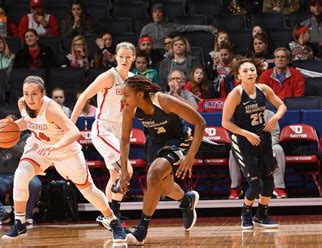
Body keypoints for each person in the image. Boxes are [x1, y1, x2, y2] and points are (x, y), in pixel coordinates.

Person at [0, 76, 127, 242]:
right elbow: (28, 122)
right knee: (21, 174)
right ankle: (20, 222)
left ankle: (112, 220)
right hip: (39, 146)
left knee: (88, 190)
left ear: (43, 93)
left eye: (34, 94)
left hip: (65, 150)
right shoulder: (23, 103)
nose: (29, 98)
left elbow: (74, 132)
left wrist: (56, 147)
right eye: (26, 93)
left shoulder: (51, 108)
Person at [118, 75, 205, 245]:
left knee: (154, 173)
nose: (123, 99)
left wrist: (190, 156)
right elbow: (124, 139)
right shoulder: (129, 108)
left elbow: (200, 123)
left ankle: (141, 230)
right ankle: (186, 201)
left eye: (126, 95)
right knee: (163, 186)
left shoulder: (163, 100)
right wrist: (123, 171)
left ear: (140, 94)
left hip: (179, 139)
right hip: (155, 143)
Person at [71, 42, 136, 230]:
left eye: (128, 56)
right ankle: (113, 218)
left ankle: (106, 216)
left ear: (133, 58)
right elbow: (84, 97)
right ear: (116, 57)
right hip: (103, 129)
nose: (124, 60)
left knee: (115, 174)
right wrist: (70, 124)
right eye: (121, 56)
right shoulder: (109, 76)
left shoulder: (132, 79)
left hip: (120, 131)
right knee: (127, 171)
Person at [221, 57, 287, 230]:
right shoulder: (235, 94)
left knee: (269, 182)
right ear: (238, 76)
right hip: (242, 140)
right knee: (255, 184)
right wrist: (246, 133)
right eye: (245, 71)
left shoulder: (263, 89)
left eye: (252, 70)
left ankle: (261, 215)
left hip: (262, 138)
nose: (250, 73)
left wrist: (274, 117)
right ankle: (245, 213)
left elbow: (282, 106)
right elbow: (225, 123)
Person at [0, 114, 41, 226]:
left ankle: (27, 216)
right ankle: (1, 214)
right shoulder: (0, 137)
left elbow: (21, 153)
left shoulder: (27, 137)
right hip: (3, 177)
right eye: (3, 124)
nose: (4, 127)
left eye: (8, 124)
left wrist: (8, 138)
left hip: (23, 175)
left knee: (35, 184)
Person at [229, 109, 287, 199]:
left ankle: (278, 187)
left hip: (266, 146)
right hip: (247, 147)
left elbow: (275, 135)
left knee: (278, 149)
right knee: (233, 152)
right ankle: (235, 188)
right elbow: (237, 135)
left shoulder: (270, 114)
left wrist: (265, 145)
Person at [140, 3, 217, 49]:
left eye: (159, 12)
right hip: (153, 56)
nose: (157, 15)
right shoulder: (146, 28)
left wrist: (209, 28)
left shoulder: (172, 26)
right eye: (154, 12)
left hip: (168, 54)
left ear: (163, 14)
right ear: (152, 14)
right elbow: (140, 45)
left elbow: (190, 28)